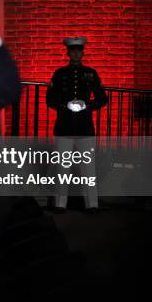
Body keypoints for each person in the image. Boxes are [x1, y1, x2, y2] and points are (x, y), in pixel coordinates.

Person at [46, 37, 107, 214]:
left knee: (88, 168)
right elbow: (50, 99)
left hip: (84, 126)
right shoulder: (59, 74)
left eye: (78, 50)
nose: (75, 53)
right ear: (68, 52)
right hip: (64, 125)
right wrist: (65, 106)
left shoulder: (91, 73)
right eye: (72, 50)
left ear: (82, 52)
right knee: (62, 168)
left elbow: (103, 99)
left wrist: (86, 105)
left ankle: (92, 204)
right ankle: (60, 204)